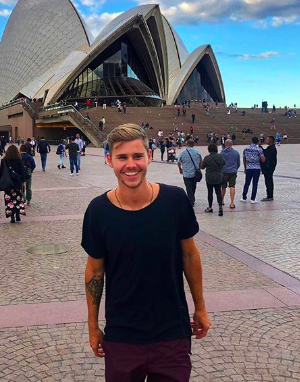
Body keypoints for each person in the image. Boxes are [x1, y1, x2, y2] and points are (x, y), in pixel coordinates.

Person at [82, 123, 211, 382]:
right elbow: (95, 270)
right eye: (122, 157)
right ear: (110, 161)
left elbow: (190, 255)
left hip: (172, 332)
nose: (131, 164)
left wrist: (200, 307)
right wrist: (93, 325)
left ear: (149, 156)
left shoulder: (175, 201)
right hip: (122, 335)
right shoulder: (98, 211)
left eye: (137, 156)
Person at [0, 145, 27, 223]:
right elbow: (22, 172)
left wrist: (1, 181)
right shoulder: (19, 160)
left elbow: (1, 172)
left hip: (8, 183)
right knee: (17, 199)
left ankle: (12, 217)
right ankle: (18, 215)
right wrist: (23, 181)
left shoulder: (4, 161)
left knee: (10, 200)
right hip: (17, 183)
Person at [201, 143, 225, 215]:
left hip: (209, 178)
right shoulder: (220, 156)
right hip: (218, 177)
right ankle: (220, 207)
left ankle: (210, 207)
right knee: (218, 192)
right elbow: (224, 163)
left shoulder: (207, 158)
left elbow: (202, 167)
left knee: (210, 192)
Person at [241, 137, 266, 204]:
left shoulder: (246, 149)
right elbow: (263, 160)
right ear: (258, 142)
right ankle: (253, 198)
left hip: (248, 167)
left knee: (247, 183)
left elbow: (244, 158)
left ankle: (244, 197)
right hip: (256, 167)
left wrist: (245, 167)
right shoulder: (259, 149)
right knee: (255, 183)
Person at [177, 139, 202, 207]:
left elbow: (178, 162)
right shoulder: (197, 152)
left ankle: (191, 201)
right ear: (193, 144)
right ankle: (192, 198)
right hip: (195, 173)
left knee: (188, 187)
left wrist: (180, 169)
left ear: (187, 144)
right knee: (193, 186)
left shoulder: (183, 152)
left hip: (186, 173)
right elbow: (200, 161)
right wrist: (199, 168)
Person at [220, 139, 240, 209]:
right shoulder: (236, 152)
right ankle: (232, 203)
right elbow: (238, 163)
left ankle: (221, 200)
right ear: (232, 144)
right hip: (233, 172)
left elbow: (220, 163)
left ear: (225, 144)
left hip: (224, 172)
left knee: (223, 187)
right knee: (232, 186)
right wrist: (235, 168)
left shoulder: (222, 153)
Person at [261, 136, 278, 201]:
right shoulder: (271, 148)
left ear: (270, 141)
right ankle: (269, 195)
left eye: (267, 139)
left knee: (268, 181)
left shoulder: (272, 148)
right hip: (269, 167)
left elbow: (266, 155)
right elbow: (265, 152)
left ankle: (270, 196)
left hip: (269, 168)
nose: (266, 140)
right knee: (269, 181)